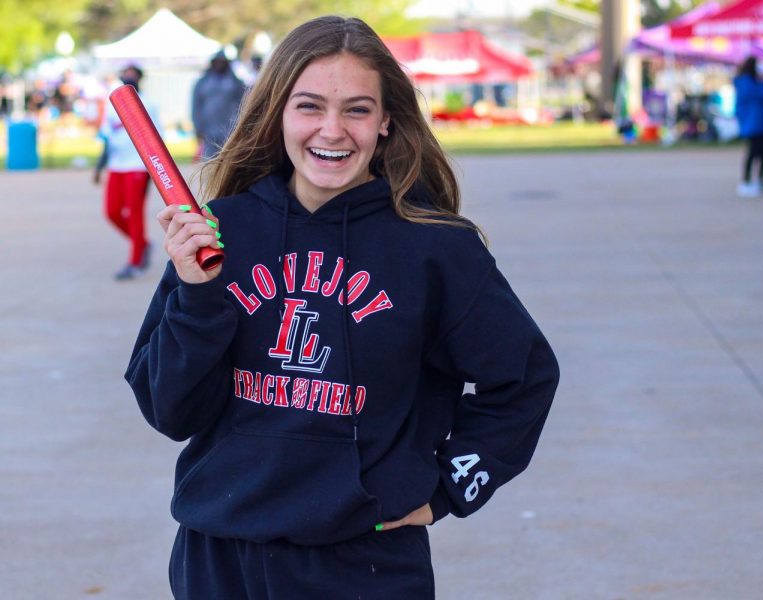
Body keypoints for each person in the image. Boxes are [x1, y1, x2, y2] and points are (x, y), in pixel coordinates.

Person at [125, 16, 559, 599]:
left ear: (386, 121)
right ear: (277, 112)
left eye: (357, 109)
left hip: (361, 564)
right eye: (309, 107)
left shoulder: (435, 248)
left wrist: (448, 492)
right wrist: (198, 293)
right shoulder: (222, 230)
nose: (332, 130)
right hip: (217, 558)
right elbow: (169, 411)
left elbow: (525, 378)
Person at [95, 64, 158, 280]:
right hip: (116, 165)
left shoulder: (149, 104)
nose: (129, 78)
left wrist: (153, 172)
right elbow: (107, 136)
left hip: (138, 166)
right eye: (126, 74)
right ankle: (143, 244)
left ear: (140, 79)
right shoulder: (111, 103)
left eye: (133, 75)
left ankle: (134, 262)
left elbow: (156, 140)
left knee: (135, 214)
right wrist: (99, 166)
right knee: (112, 212)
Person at [733, 56, 763, 198]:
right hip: (753, 123)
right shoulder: (745, 82)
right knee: (753, 152)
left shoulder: (756, 82)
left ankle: (760, 178)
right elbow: (761, 95)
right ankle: (746, 181)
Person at [191, 49, 247, 161]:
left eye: (223, 62)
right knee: (209, 163)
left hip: (230, 130)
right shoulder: (202, 83)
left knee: (228, 163)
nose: (220, 64)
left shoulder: (236, 83)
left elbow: (244, 104)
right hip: (209, 131)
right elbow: (196, 106)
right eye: (218, 61)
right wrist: (198, 127)